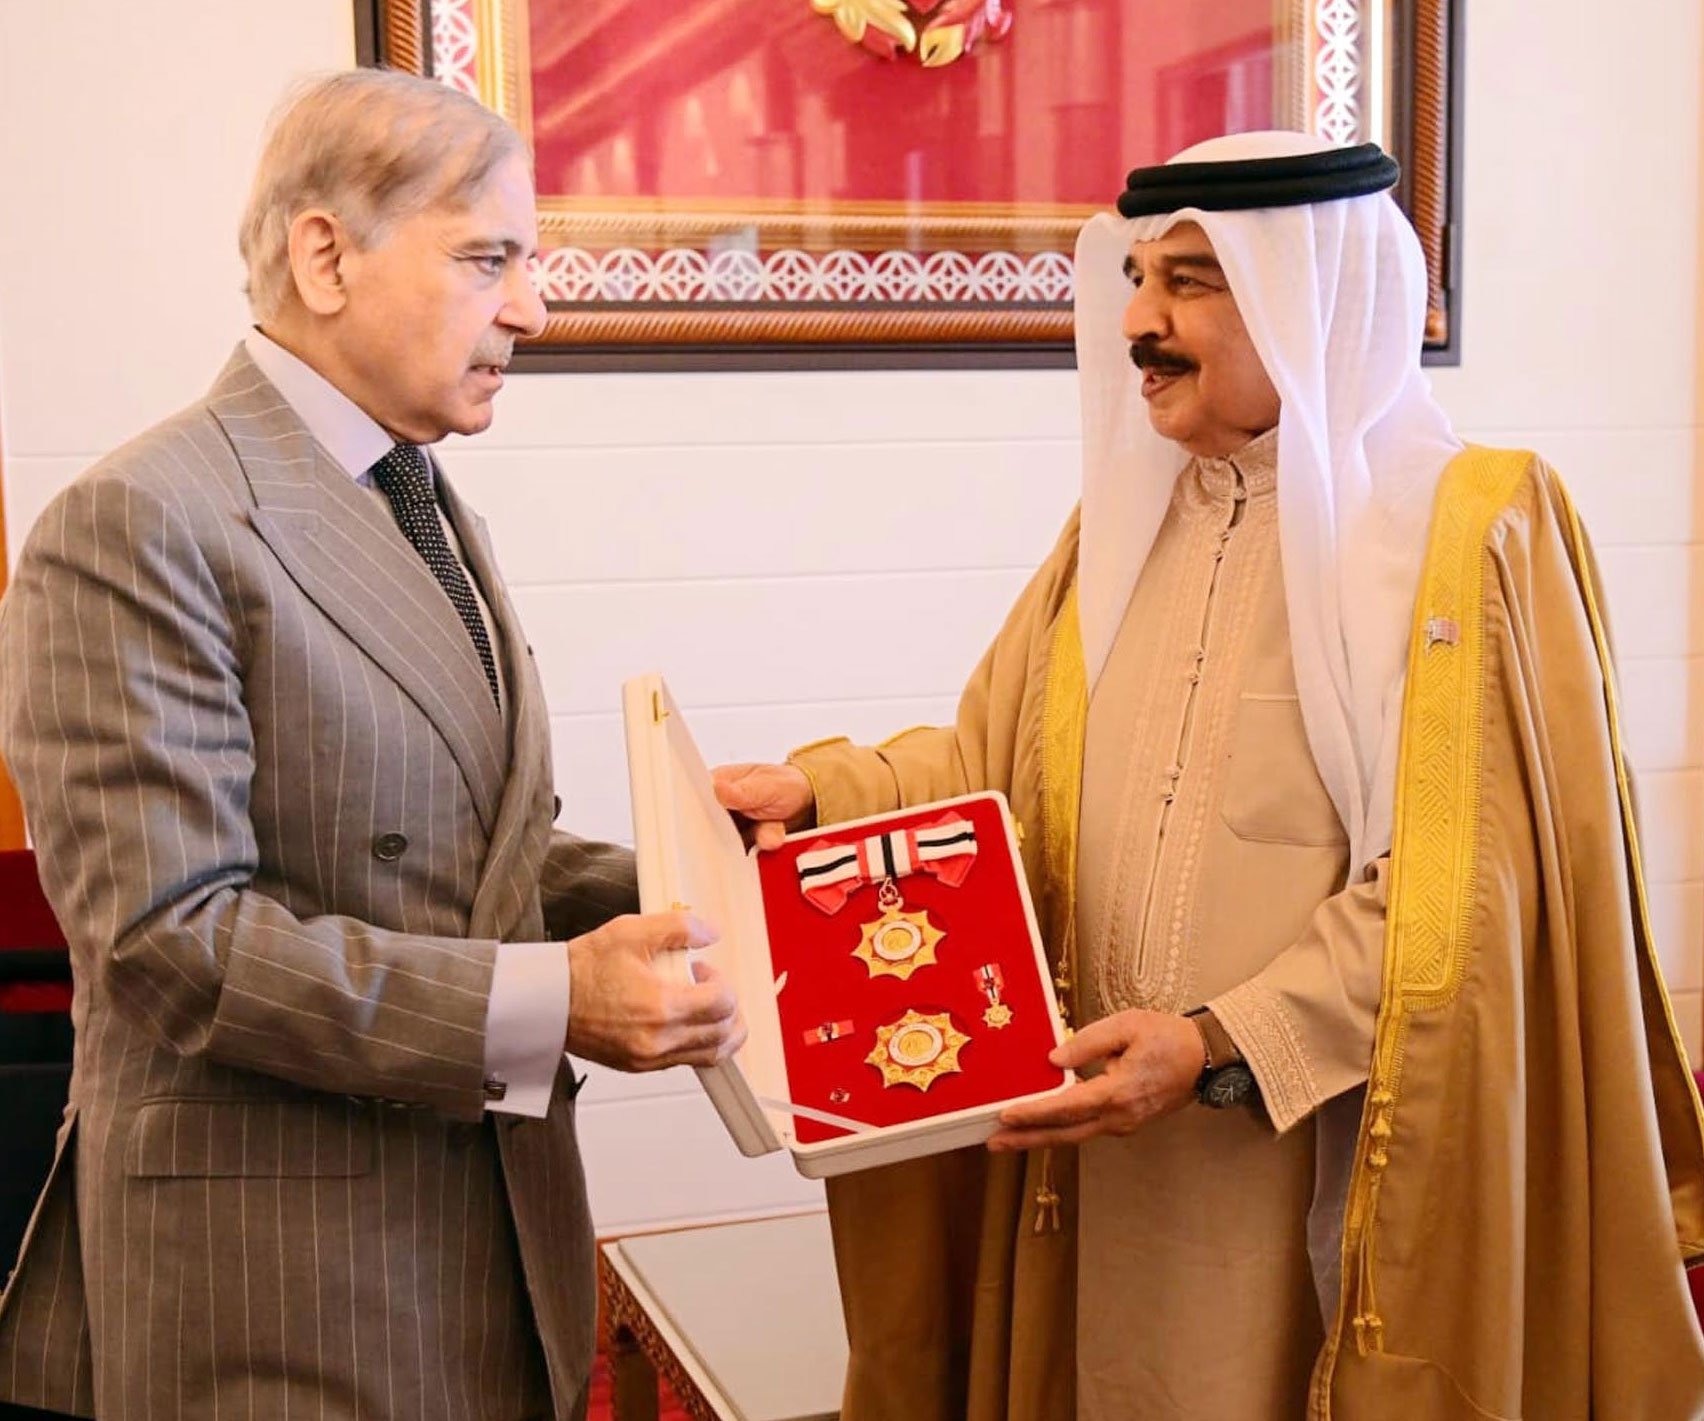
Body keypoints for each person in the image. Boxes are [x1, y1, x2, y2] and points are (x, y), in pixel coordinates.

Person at [714, 131, 1704, 1419]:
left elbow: (1473, 892)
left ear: (1313, 294)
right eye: (1136, 278)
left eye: (1190, 280)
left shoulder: (1469, 537)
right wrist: (827, 798)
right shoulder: (1127, 529)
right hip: (1101, 1148)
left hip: (1318, 1154)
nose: (1139, 321)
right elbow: (999, 763)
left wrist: (1220, 1045)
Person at [0, 68, 743, 1421]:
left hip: (475, 1250)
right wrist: (554, 1000)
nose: (533, 306)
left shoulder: (414, 491)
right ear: (324, 254)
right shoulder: (138, 520)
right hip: (279, 1293)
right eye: (488, 259)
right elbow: (172, 937)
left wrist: (692, 877)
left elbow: (453, 850)